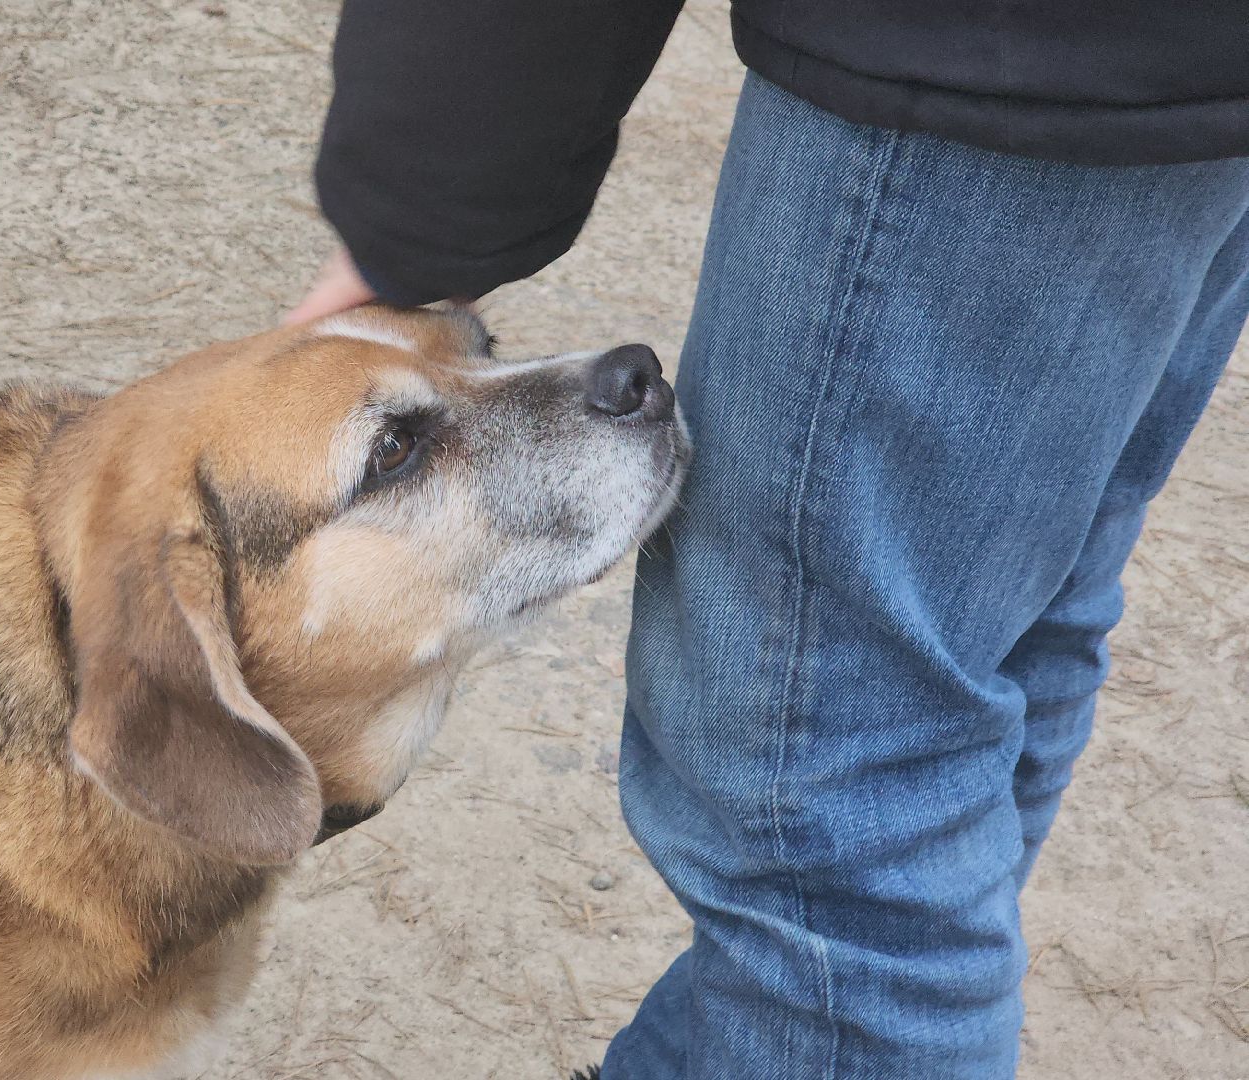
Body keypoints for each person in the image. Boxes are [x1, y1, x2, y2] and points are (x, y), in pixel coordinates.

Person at [284, 3, 1249, 1077]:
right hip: (1185, 69)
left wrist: (420, 220)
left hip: (985, 55)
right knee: (988, 650)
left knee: (825, 771)